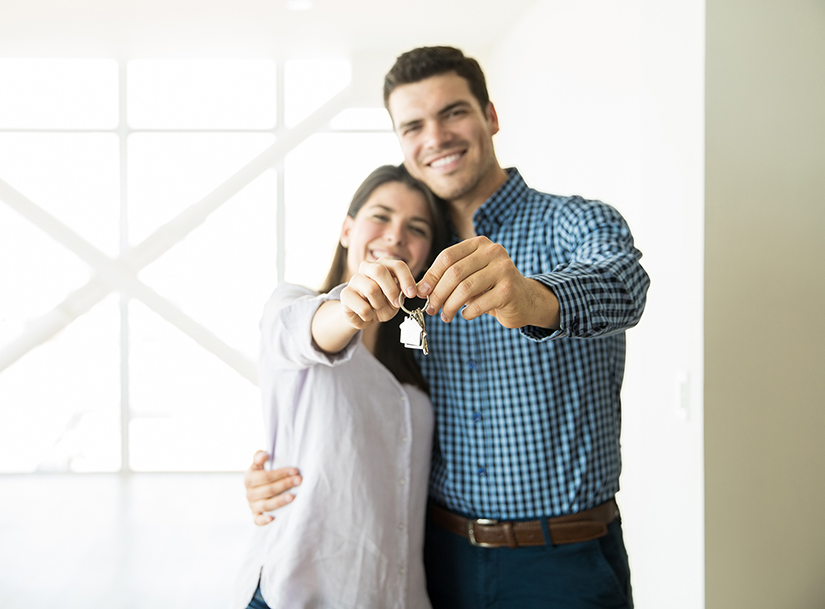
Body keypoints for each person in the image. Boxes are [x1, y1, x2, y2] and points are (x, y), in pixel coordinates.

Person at [244, 46, 650, 608]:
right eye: (413, 125)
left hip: (562, 561)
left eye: (454, 113)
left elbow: (625, 286)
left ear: (490, 116)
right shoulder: (408, 264)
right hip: (434, 559)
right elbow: (342, 396)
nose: (435, 137)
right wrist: (272, 473)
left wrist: (532, 296)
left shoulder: (574, 220)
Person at [235, 165, 450, 609]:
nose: (394, 236)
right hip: (298, 594)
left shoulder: (420, 358)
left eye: (416, 227)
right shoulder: (295, 306)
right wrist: (350, 309)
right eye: (381, 216)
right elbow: (304, 331)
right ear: (347, 228)